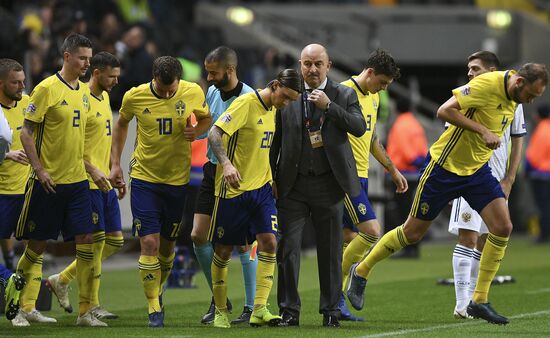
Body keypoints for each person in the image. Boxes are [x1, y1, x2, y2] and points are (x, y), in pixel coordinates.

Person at [347, 62, 548, 325]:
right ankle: (361, 271)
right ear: (519, 82)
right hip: (444, 169)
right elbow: (444, 111)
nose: (531, 101)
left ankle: (479, 300)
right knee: (412, 232)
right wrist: (482, 130)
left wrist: (509, 175)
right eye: (531, 95)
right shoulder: (486, 85)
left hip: (476, 172)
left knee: (502, 226)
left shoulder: (515, 97)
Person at [109, 55, 212, 328]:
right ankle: (153, 305)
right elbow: (121, 124)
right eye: (162, 89)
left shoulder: (192, 91)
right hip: (144, 179)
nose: (167, 93)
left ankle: (159, 287)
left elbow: (206, 119)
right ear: (153, 78)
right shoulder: (135, 97)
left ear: (180, 80)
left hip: (177, 181)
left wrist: (197, 132)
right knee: (149, 243)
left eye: (172, 89)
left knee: (167, 247)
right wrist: (115, 163)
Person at [271, 44, 366, 328]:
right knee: (287, 249)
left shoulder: (344, 94)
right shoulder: (288, 95)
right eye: (307, 64)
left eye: (318, 64)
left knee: (330, 251)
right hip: (293, 185)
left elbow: (359, 127)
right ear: (300, 65)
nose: (312, 69)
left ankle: (331, 312)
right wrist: (272, 178)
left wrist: (330, 107)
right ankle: (289, 311)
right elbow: (275, 140)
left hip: (329, 184)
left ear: (329, 65)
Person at [14, 33, 99, 326]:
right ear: (67, 56)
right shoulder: (46, 89)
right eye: (82, 58)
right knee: (37, 245)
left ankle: (85, 312)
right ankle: (22, 305)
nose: (87, 63)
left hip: (77, 183)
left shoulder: (85, 92)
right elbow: (26, 132)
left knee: (87, 241)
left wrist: (91, 169)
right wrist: (39, 170)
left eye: (89, 58)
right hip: (47, 183)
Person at [208, 68, 302, 328]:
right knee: (224, 251)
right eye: (285, 97)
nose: (286, 103)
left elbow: (262, 149)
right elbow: (215, 134)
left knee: (270, 243)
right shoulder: (246, 104)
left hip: (261, 190)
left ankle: (259, 308)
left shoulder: (273, 109)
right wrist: (226, 164)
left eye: (291, 100)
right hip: (233, 191)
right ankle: (219, 310)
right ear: (274, 85)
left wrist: (270, 179)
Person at [446, 51, 525, 319]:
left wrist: (509, 179)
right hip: (467, 174)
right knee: (467, 236)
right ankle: (462, 303)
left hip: (495, 181)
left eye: (475, 68)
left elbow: (517, 140)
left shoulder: (515, 97)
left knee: (485, 239)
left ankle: (472, 300)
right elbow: (450, 130)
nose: (470, 73)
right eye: (469, 68)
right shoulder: (468, 97)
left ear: (491, 70)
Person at [47, 52, 125, 321]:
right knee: (95, 245)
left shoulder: (103, 97)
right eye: (112, 76)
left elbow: (109, 137)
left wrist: (115, 167)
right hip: (87, 182)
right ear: (97, 74)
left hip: (104, 181)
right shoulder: (82, 100)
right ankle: (90, 305)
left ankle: (63, 278)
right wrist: (92, 169)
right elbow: (74, 145)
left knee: (114, 241)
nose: (116, 81)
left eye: (117, 76)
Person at [339, 49, 407, 321]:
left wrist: (392, 169)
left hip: (362, 174)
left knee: (348, 238)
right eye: (382, 82)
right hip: (345, 175)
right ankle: (336, 290)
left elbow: (371, 139)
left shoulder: (374, 98)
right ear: (369, 72)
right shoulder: (342, 92)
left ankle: (336, 305)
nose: (383, 88)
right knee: (371, 232)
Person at [191, 46, 256, 325]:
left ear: (229, 70)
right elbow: (208, 128)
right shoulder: (213, 92)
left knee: (243, 244)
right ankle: (219, 299)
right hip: (212, 170)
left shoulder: (250, 98)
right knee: (197, 236)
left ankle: (252, 306)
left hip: (239, 175)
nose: (208, 76)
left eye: (213, 72)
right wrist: (192, 132)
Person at [0, 58, 28, 321]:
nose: (21, 86)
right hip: (3, 191)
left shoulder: (28, 104)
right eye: (15, 82)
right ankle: (9, 278)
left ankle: (26, 307)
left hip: (27, 189)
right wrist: (7, 156)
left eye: (22, 81)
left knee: (35, 247)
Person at [386, 97, 428, 259]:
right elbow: (421, 148)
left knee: (403, 212)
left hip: (402, 174)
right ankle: (413, 247)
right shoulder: (415, 123)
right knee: (411, 211)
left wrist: (414, 162)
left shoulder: (400, 125)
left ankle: (408, 248)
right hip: (414, 173)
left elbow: (405, 150)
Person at [526, 105, 550, 243]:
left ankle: (544, 234)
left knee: (543, 206)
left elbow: (533, 156)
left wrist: (527, 170)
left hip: (541, 174)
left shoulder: (541, 130)